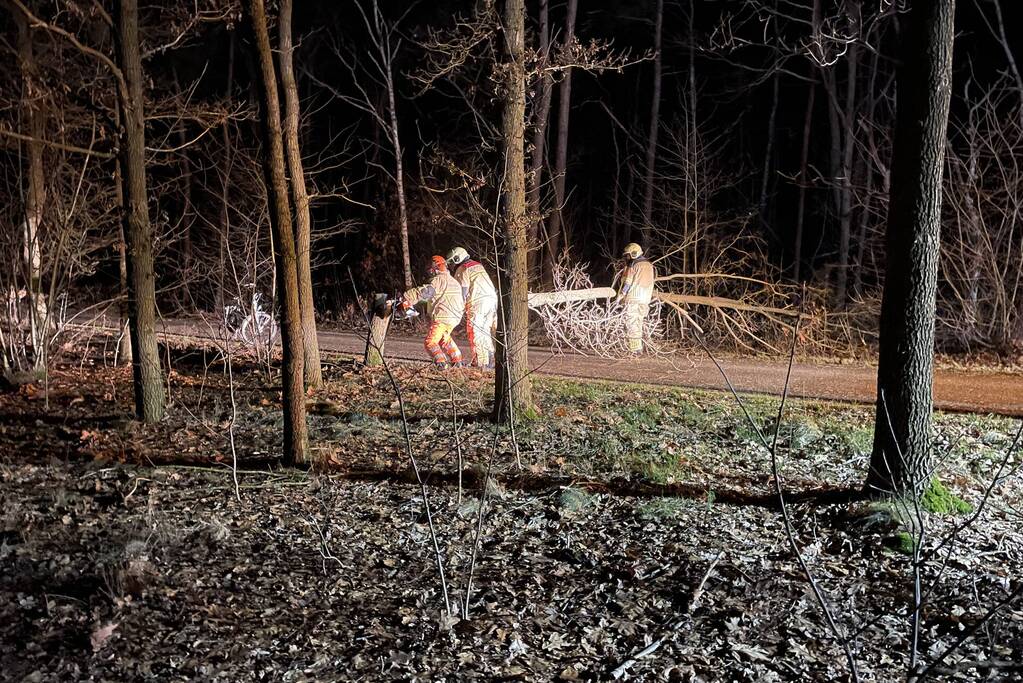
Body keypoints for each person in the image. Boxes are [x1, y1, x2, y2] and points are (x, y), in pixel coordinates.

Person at [401, 255, 465, 368]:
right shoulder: (454, 281)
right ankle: (457, 360)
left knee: (430, 342)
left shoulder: (439, 280)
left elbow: (426, 292)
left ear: (435, 268)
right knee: (444, 339)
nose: (429, 272)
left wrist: (407, 297)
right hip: (455, 317)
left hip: (443, 316)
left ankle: (441, 363)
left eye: (430, 269)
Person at [447, 246, 498, 369]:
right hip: (491, 300)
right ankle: (490, 360)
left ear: (457, 259)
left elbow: (462, 291)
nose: (451, 265)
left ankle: (482, 363)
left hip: (477, 302)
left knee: (476, 331)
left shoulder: (463, 269)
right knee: (485, 331)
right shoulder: (477, 265)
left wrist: (457, 307)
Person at [616, 242, 655, 355]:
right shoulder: (649, 265)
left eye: (627, 255)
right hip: (645, 299)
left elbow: (628, 282)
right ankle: (638, 348)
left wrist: (621, 295)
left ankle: (634, 349)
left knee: (631, 323)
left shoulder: (633, 265)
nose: (626, 258)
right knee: (639, 323)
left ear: (633, 254)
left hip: (633, 298)